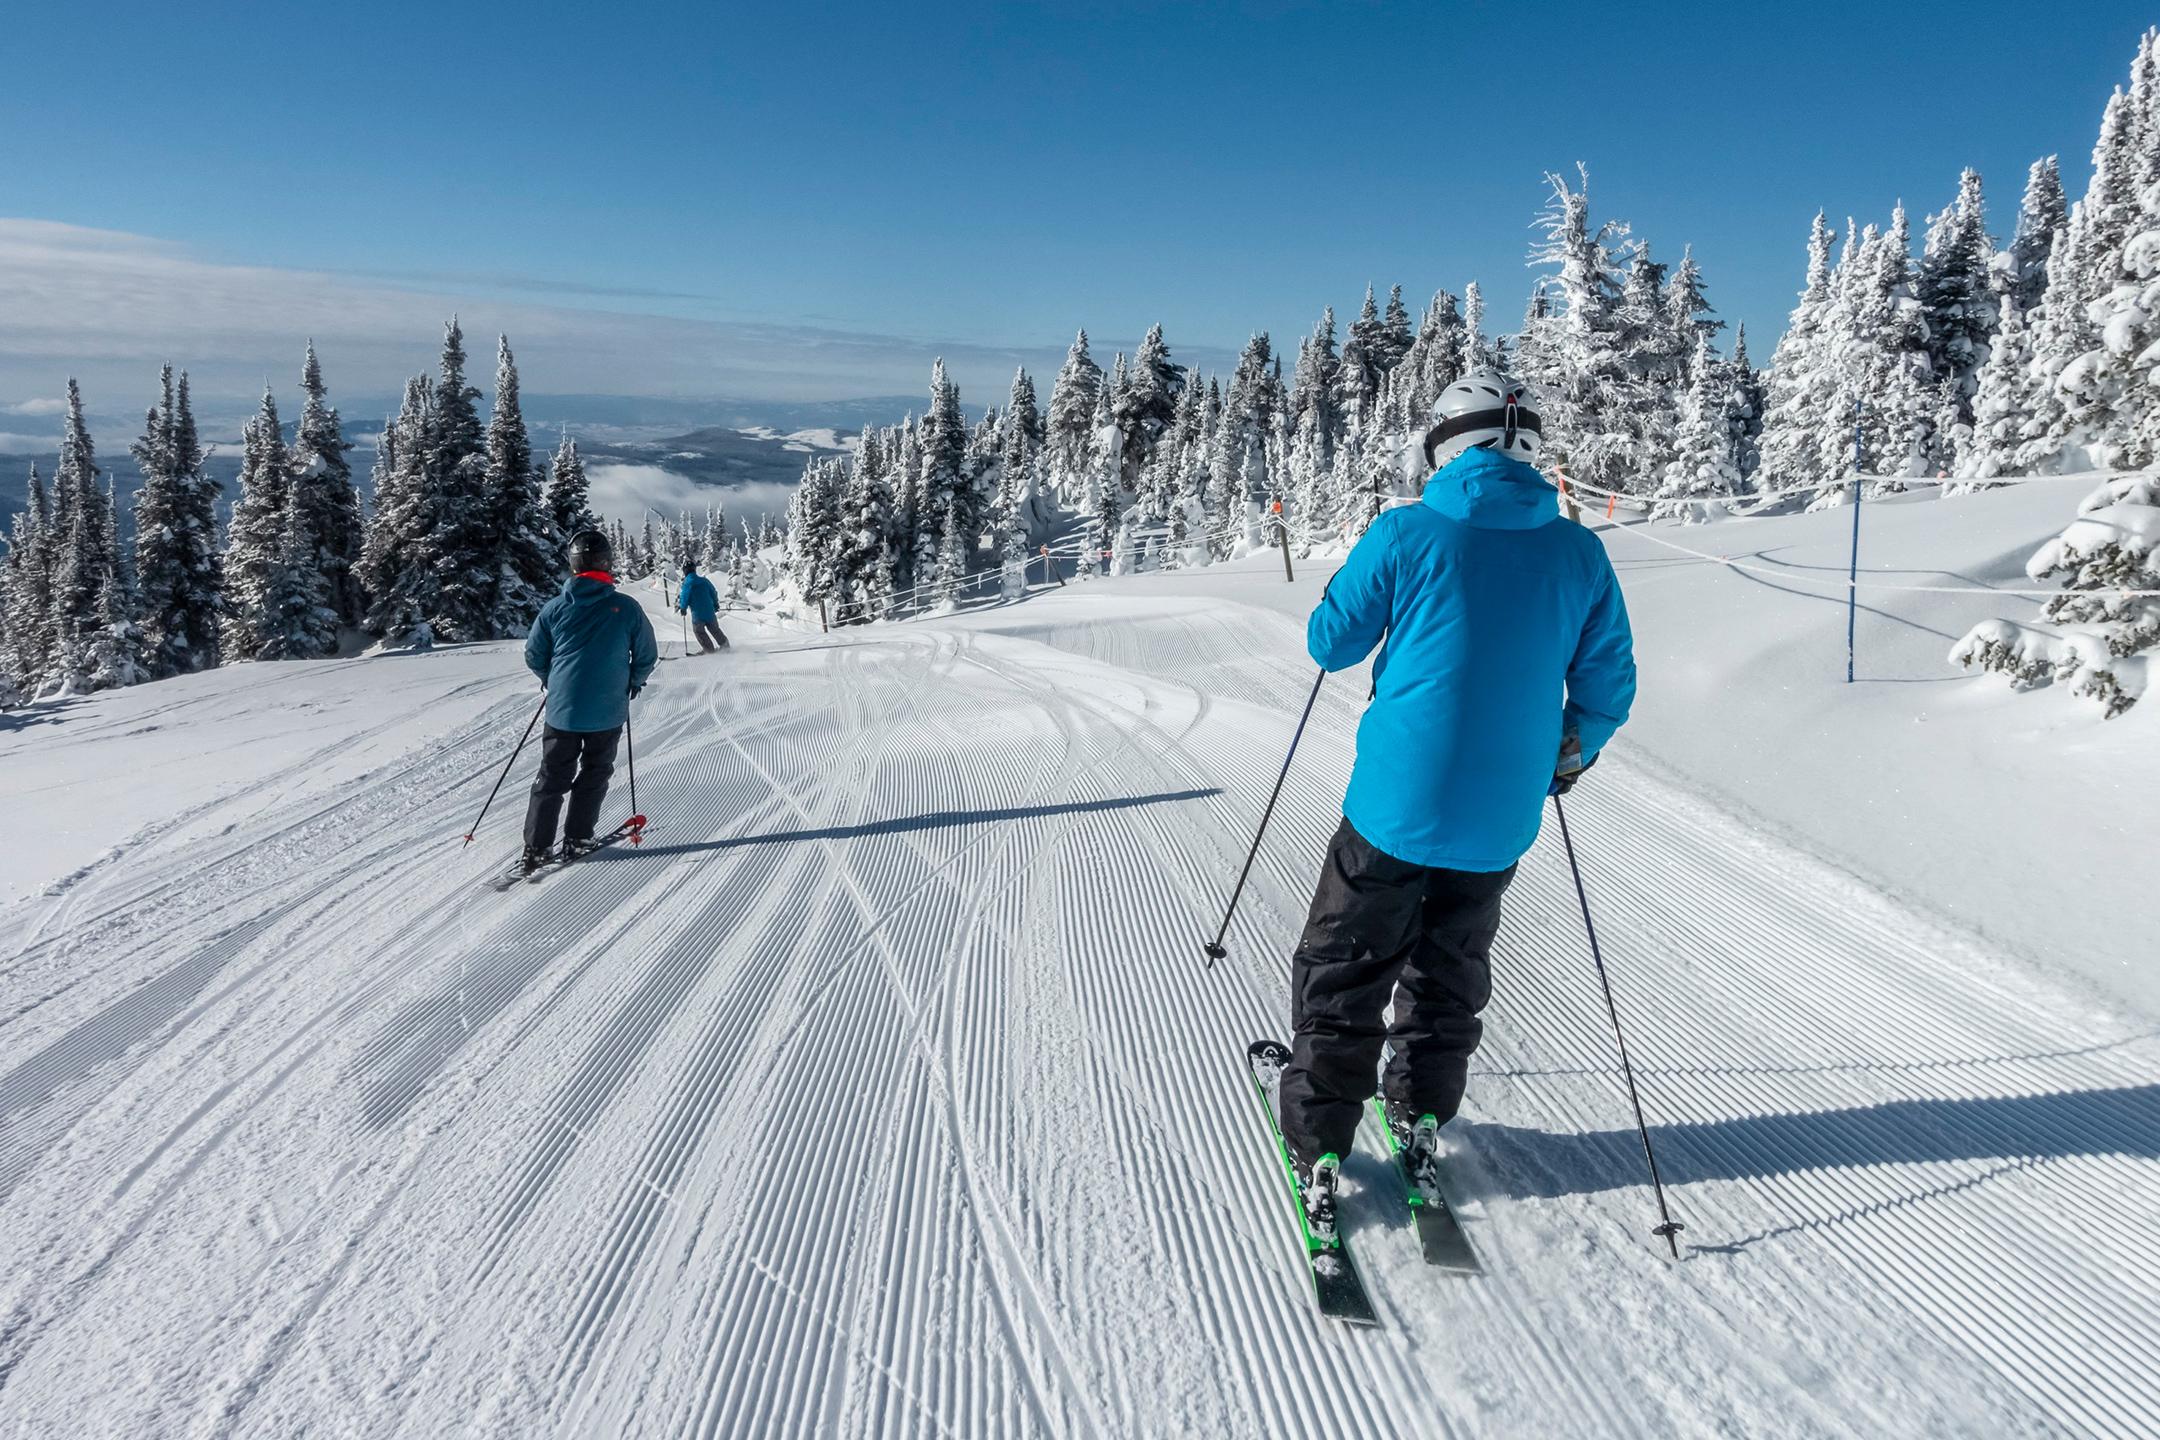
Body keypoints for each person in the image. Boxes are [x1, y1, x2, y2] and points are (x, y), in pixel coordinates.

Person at [1278, 370, 1636, 1237]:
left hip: (1396, 802)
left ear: (1444, 444)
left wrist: (1350, 588)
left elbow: (1332, 642)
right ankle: (1420, 1112)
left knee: (1348, 963)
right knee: (1450, 970)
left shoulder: (1407, 530)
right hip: (1501, 814)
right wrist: (1571, 750)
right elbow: (1607, 684)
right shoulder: (1580, 552)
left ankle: (1322, 1140)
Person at [520, 529, 659, 872]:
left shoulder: (554, 610)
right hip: (607, 710)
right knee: (595, 773)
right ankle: (578, 838)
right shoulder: (626, 608)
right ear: (606, 564)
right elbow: (646, 655)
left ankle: (537, 847)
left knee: (551, 776)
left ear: (574, 566)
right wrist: (632, 682)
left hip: (562, 710)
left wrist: (552, 680)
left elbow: (534, 654)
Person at [676, 561, 727, 652]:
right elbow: (713, 592)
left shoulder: (687, 584)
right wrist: (716, 604)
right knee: (715, 629)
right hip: (709, 611)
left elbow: (684, 597)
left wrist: (683, 608)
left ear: (685, 571)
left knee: (699, 632)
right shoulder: (704, 581)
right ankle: (725, 646)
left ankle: (709, 650)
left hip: (697, 614)